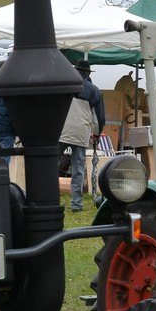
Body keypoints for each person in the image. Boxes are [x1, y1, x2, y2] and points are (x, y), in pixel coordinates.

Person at [60, 61, 106, 211]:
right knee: (78, 168)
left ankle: (50, 199)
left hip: (61, 129)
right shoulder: (94, 90)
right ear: (88, 73)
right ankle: (77, 204)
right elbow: (99, 118)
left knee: (51, 165)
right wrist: (97, 135)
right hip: (81, 131)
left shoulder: (64, 84)